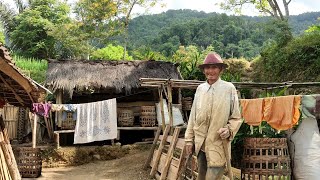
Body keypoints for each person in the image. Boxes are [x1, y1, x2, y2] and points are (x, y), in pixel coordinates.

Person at [184, 52, 242, 180]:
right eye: (207, 67)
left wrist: (229, 130)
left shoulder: (229, 89)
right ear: (204, 70)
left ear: (220, 69)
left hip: (218, 145)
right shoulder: (200, 89)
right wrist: (189, 140)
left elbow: (236, 117)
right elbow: (193, 117)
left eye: (214, 67)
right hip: (200, 145)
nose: (210, 71)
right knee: (201, 177)